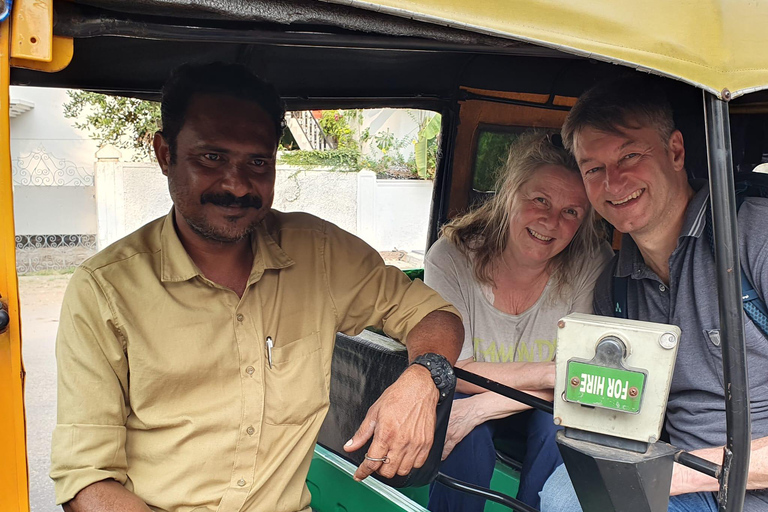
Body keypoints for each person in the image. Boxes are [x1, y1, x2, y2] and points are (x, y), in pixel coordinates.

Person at [49, 62, 464, 512]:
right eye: (212, 157)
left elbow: (434, 315)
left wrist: (425, 377)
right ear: (165, 153)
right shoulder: (104, 289)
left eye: (257, 162)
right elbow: (86, 482)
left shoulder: (320, 253)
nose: (237, 184)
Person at [539, 76, 768, 512]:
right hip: (684, 486)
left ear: (676, 151)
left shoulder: (755, 237)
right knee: (562, 496)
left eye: (630, 155)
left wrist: (669, 476)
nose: (613, 181)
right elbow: (618, 406)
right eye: (593, 169)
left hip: (743, 492)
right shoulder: (618, 285)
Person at [424, 132, 613, 511]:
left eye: (571, 212)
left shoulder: (591, 261)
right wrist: (547, 374)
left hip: (545, 405)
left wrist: (484, 407)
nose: (551, 221)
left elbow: (579, 380)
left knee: (563, 425)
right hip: (479, 390)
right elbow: (450, 370)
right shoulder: (452, 256)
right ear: (510, 192)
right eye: (540, 200)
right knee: (461, 426)